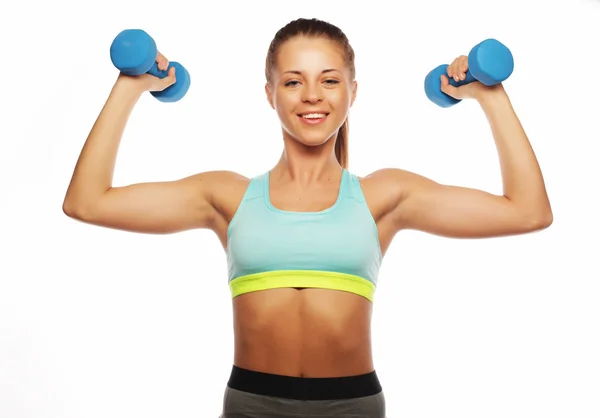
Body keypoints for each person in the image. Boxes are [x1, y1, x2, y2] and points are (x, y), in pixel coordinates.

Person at [63, 17, 553, 418]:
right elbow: (87, 201)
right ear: (270, 93)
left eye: (330, 80)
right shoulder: (228, 197)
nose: (312, 95)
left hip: (353, 405)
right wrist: (132, 85)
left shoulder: (383, 196)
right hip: (251, 404)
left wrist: (489, 95)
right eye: (293, 81)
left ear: (353, 93)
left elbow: (528, 212)